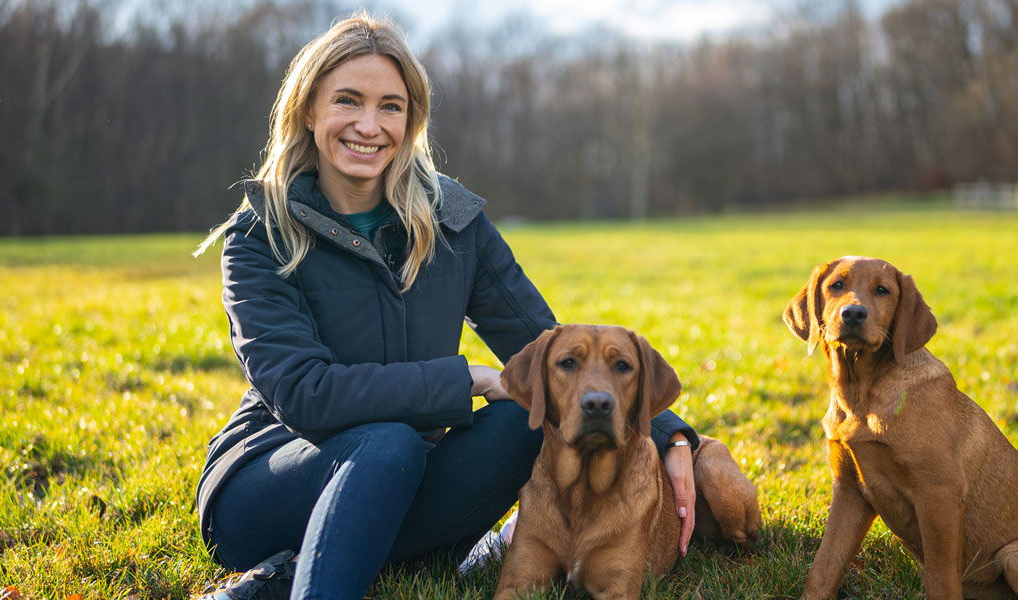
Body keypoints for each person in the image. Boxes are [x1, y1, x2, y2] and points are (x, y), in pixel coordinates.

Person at [190, 14, 703, 599]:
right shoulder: (260, 235)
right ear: (309, 110)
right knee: (390, 441)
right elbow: (307, 394)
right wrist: (466, 379)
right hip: (273, 480)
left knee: (522, 417)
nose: (369, 125)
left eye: (390, 106)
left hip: (409, 476)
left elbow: (551, 350)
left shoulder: (454, 222)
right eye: (348, 101)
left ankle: (277, 586)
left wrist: (674, 436)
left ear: (411, 120)